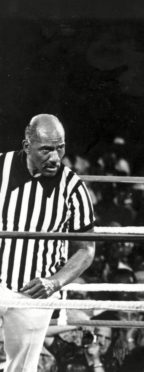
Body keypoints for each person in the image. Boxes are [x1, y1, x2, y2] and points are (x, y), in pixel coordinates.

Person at [0, 114, 95, 372]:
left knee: (20, 368)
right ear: (27, 145)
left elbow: (87, 250)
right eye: (46, 149)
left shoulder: (72, 186)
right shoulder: (1, 167)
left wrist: (55, 282)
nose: (55, 157)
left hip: (34, 290)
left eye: (60, 147)